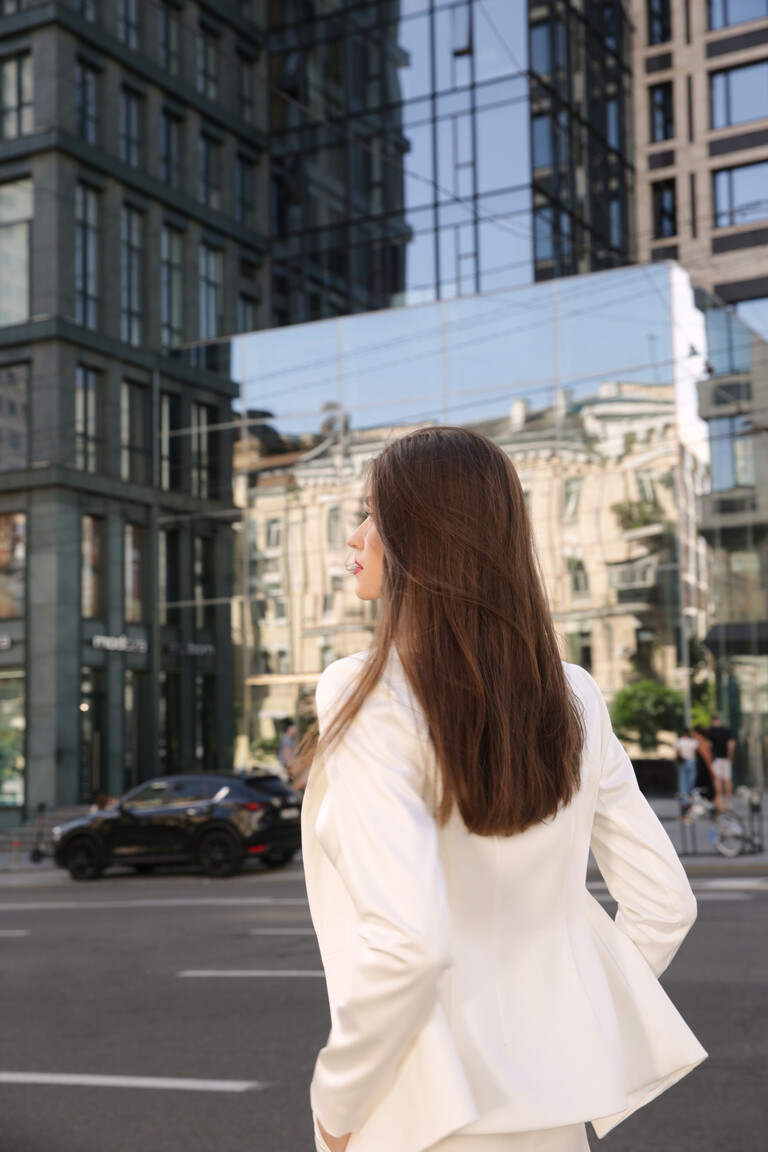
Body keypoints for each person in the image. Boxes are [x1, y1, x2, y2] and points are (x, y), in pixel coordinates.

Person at [299, 428, 705, 1152]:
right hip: (552, 1118)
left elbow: (406, 942)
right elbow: (664, 906)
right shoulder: (574, 693)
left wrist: (336, 1103)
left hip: (419, 1119)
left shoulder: (364, 691)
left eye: (373, 514)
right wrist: (563, 1027)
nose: (355, 535)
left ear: (424, 537)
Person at [708, 714, 736, 807]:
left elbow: (708, 745)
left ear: (712, 722)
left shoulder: (711, 731)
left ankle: (719, 800)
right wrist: (730, 754)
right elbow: (731, 743)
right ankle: (728, 801)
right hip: (726, 758)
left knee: (717, 780)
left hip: (716, 758)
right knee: (727, 779)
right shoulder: (726, 731)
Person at [674, 727, 699, 799]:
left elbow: (677, 753)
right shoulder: (693, 742)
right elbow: (695, 752)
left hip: (682, 762)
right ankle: (692, 797)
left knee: (682, 782)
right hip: (692, 761)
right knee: (692, 781)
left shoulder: (679, 741)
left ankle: (684, 799)